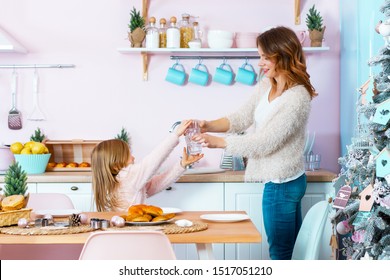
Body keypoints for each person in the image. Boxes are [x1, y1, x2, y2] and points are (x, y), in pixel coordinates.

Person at [192, 26, 317, 260]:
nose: (260, 63)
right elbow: (241, 118)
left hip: (283, 183)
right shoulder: (267, 85)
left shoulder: (297, 97)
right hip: (280, 181)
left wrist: (219, 143)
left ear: (282, 54)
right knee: (289, 251)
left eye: (264, 57)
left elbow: (265, 142)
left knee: (280, 252)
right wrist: (207, 125)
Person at [91, 120, 204, 212]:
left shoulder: (118, 182)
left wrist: (181, 165)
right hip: (133, 234)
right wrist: (175, 135)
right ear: (115, 166)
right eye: (128, 155)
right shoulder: (127, 176)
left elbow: (156, 185)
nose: (133, 158)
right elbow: (153, 160)